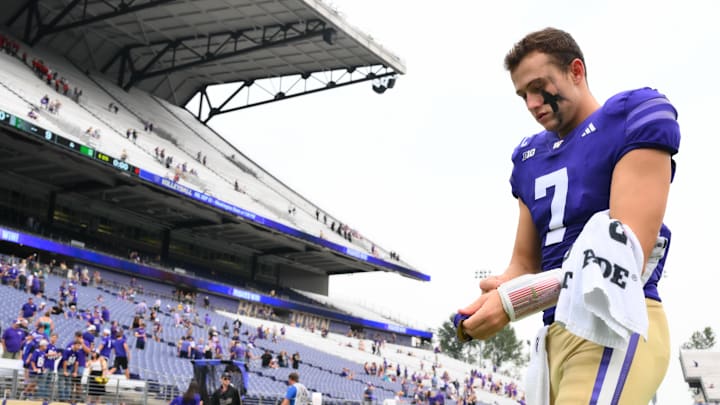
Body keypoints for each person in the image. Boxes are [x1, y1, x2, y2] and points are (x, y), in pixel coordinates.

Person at [456, 27, 680, 405]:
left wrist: (513, 302)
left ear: (576, 71)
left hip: (613, 321)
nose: (531, 102)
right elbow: (525, 264)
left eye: (539, 86)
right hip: (553, 336)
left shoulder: (631, 115)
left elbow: (621, 262)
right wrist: (494, 296)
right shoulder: (528, 158)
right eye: (522, 94)